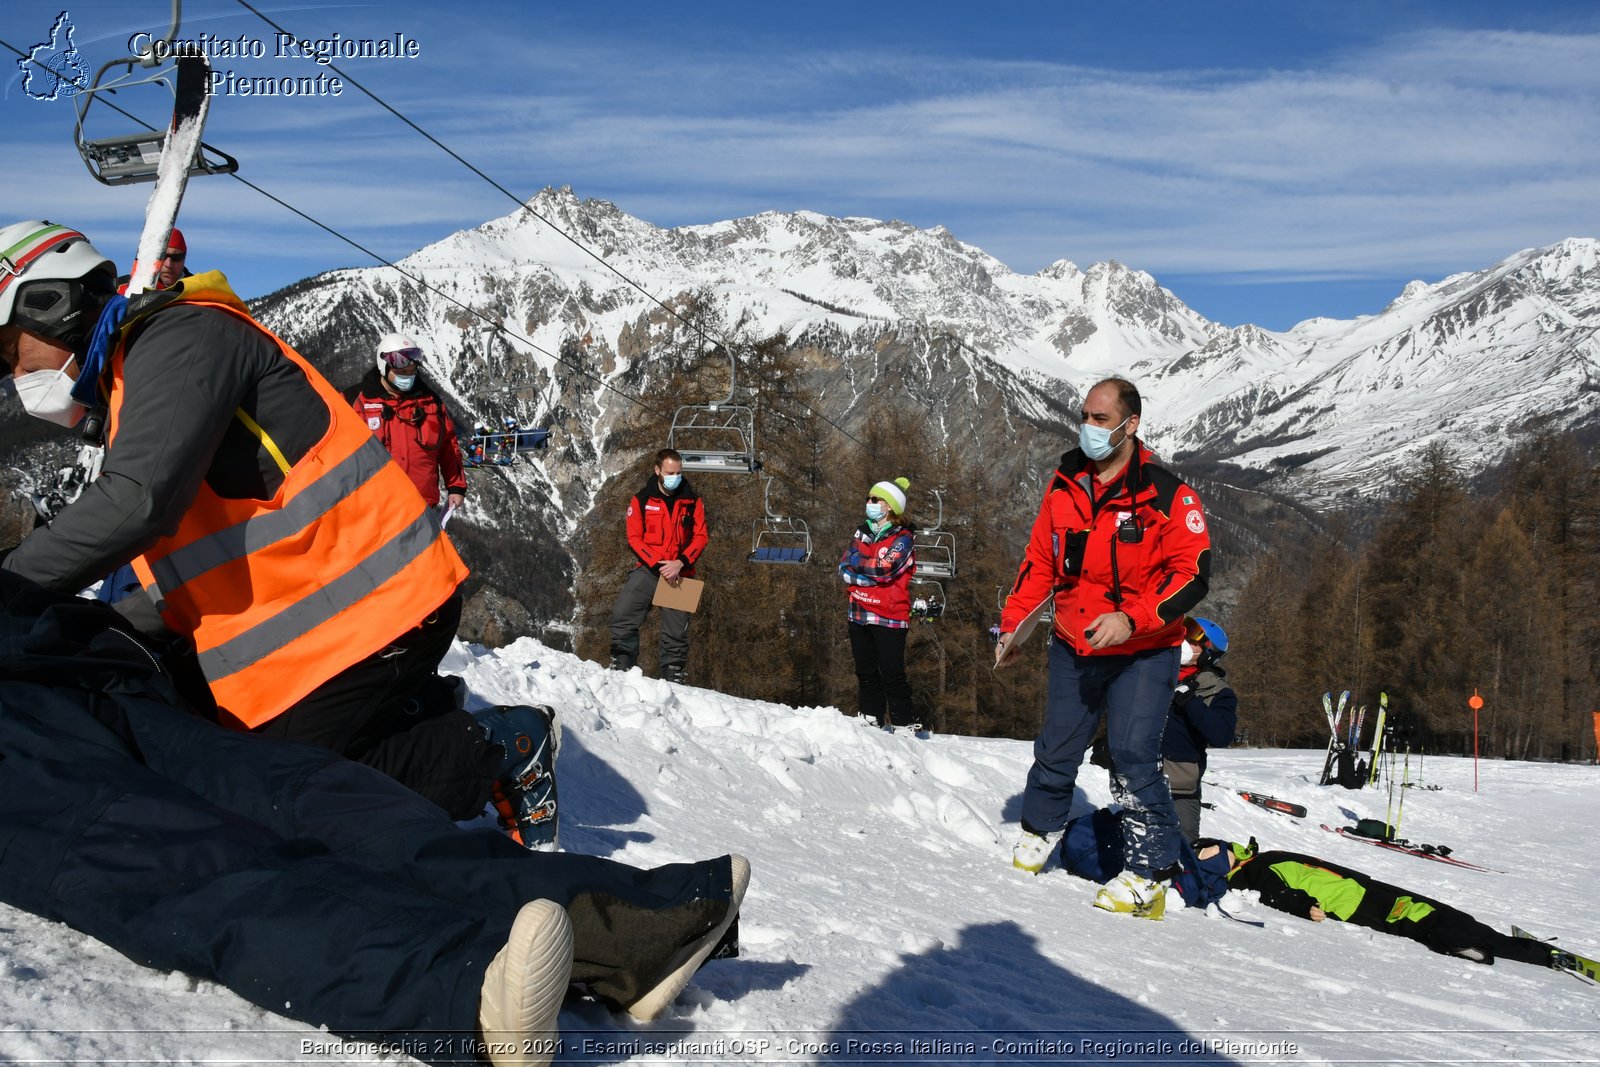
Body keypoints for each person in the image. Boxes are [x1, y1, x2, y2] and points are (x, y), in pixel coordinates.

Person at [0, 570, 751, 1067]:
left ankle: (628, 930)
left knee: (310, 793)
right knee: (179, 857)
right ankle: (465, 991)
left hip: (71, 668)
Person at [0, 220, 550, 849]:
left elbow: (138, 501)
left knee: (277, 799)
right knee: (192, 749)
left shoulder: (180, 339)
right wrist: (111, 628)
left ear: (51, 305)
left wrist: (9, 587)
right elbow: (203, 548)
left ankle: (498, 749)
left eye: (8, 350)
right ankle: (414, 709)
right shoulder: (135, 376)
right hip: (329, 614)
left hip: (380, 608)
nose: (13, 375)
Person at [995, 376, 1211, 919]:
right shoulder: (1066, 480)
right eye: (1085, 416)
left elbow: (1194, 574)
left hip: (1143, 650)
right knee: (1058, 743)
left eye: (1099, 419)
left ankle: (1149, 873)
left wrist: (1133, 618)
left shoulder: (1165, 493)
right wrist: (1014, 624)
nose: (1087, 428)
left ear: (1130, 424)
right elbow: (1040, 558)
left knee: (1134, 756)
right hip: (1074, 641)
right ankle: (1040, 829)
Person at [1210, 839, 1577, 971]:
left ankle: (1480, 938)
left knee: (1436, 911)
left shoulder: (1256, 858)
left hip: (1363, 890)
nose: (1218, 850)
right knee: (1425, 917)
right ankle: (1536, 954)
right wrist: (1304, 907)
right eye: (1211, 854)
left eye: (1215, 845)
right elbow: (1278, 893)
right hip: (1358, 901)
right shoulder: (1252, 873)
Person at [344, 332, 468, 510]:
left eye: (411, 372)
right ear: (384, 368)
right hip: (375, 506)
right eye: (401, 372)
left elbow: (448, 446)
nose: (408, 377)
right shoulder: (357, 401)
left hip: (422, 506)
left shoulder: (430, 403)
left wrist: (456, 487)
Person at [838, 477, 917, 729]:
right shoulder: (863, 531)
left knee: (892, 675)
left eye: (875, 499)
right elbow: (844, 566)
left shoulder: (903, 537)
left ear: (890, 506)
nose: (869, 503)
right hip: (859, 612)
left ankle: (905, 724)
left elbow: (885, 569)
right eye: (868, 499)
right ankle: (870, 717)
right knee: (866, 672)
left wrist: (861, 568)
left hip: (890, 615)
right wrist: (868, 578)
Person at [1164, 616, 1237, 842]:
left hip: (1179, 787)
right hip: (1140, 775)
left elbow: (1221, 735)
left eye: (1191, 640)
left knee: (1182, 848)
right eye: (1182, 635)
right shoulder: (1156, 672)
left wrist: (1190, 702)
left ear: (1207, 653)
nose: (1182, 641)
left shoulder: (1217, 692)